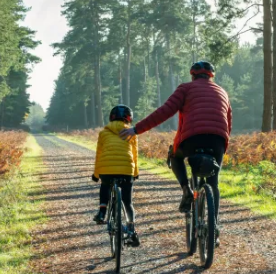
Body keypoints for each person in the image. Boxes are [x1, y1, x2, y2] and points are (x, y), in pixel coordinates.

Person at [120, 61, 231, 242]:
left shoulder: (185, 88)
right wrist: (222, 146)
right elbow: (228, 121)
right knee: (213, 183)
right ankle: (214, 228)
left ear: (192, 75)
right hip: (217, 140)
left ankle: (186, 189)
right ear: (212, 76)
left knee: (175, 156)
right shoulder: (222, 92)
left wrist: (136, 129)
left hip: (191, 139)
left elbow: (165, 111)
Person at [92, 105, 140, 247]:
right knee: (127, 201)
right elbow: (135, 155)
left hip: (106, 168)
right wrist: (135, 173)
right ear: (129, 118)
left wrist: (96, 174)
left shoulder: (103, 133)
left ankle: (102, 212)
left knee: (105, 185)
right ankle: (131, 229)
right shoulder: (131, 133)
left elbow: (99, 154)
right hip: (126, 169)